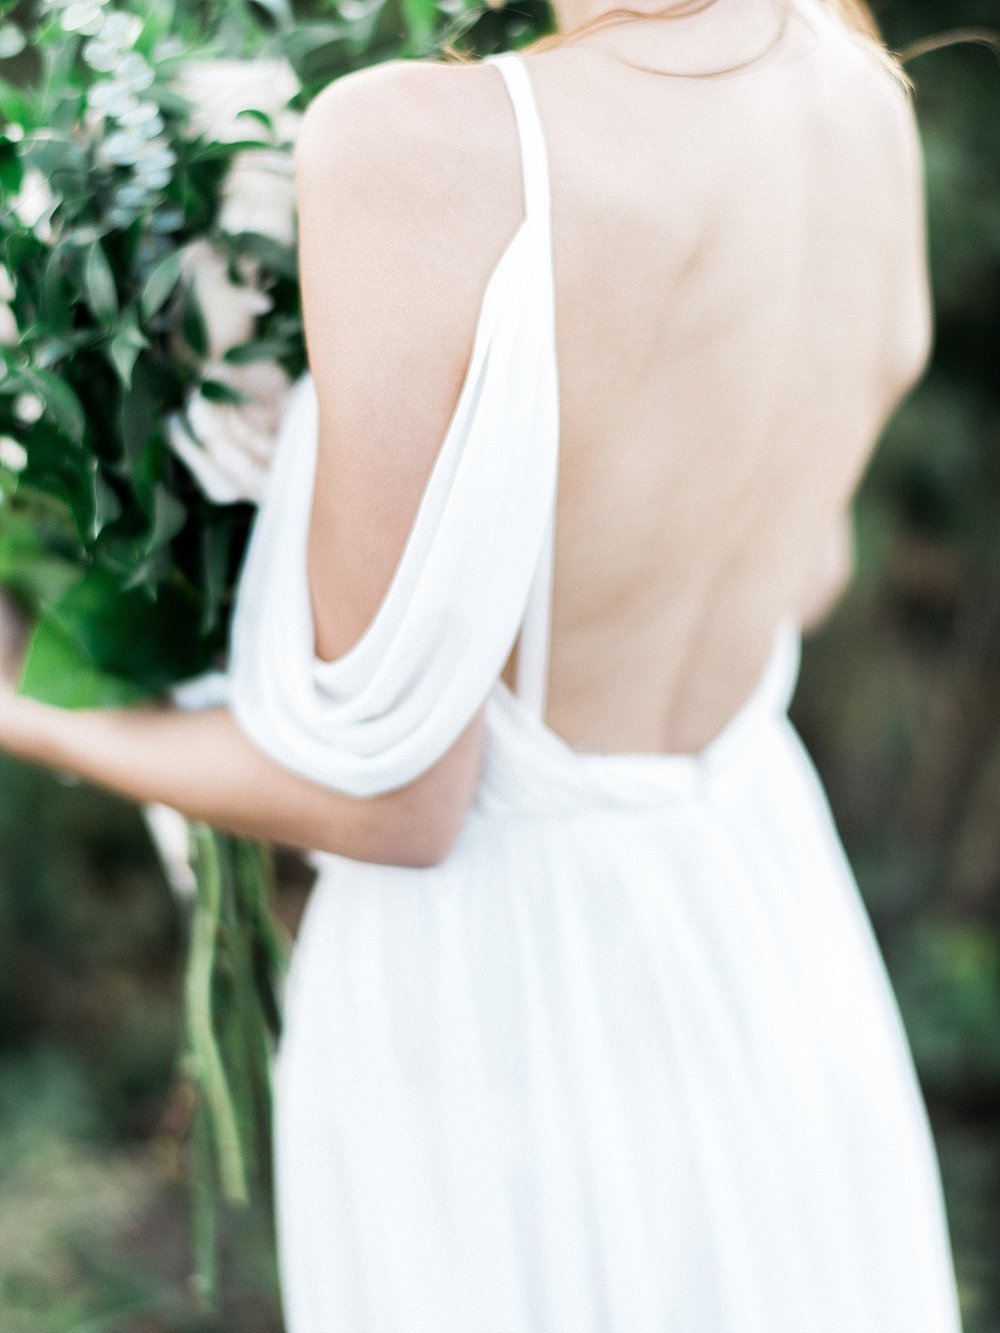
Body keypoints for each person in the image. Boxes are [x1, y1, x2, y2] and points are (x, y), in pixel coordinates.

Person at [0, 0, 967, 1327]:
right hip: (755, 923)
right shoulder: (859, 95)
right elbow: (813, 572)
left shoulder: (424, 146)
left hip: (502, 1007)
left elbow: (391, 799)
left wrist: (30, 706)